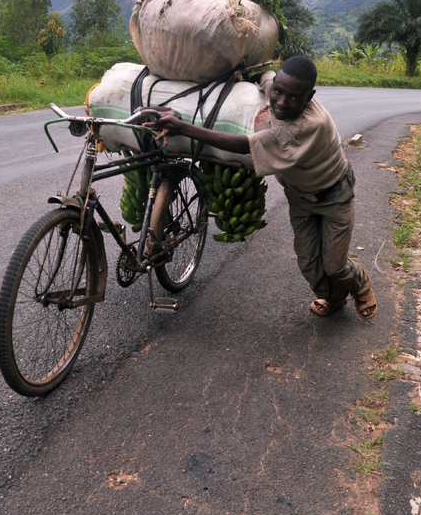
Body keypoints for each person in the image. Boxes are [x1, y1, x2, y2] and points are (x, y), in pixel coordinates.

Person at [149, 56, 377, 319]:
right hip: (299, 196)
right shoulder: (277, 87)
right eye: (278, 92)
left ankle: (360, 285)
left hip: (335, 194)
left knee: (335, 265)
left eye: (294, 98)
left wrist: (183, 128)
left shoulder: (308, 125)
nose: (281, 102)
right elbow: (266, 77)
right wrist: (241, 76)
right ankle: (335, 298)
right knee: (309, 264)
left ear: (310, 96)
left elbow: (245, 144)